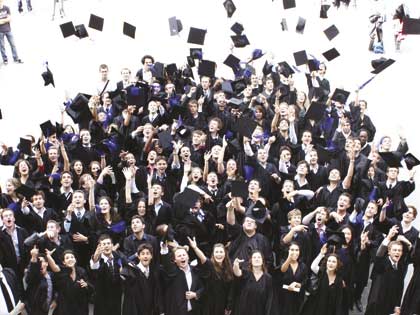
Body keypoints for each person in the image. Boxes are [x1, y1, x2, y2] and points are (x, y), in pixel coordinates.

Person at [188, 237, 234, 315]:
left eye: (221, 252)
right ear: (213, 254)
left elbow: (231, 289)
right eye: (216, 252)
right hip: (209, 304)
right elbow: (202, 257)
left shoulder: (229, 268)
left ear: (225, 253)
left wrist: (228, 306)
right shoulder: (210, 265)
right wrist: (195, 248)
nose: (219, 254)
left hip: (223, 304)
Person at [365, 226, 405, 315]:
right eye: (394, 250)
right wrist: (388, 237)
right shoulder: (382, 263)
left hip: (390, 306)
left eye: (399, 251)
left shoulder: (400, 267)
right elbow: (379, 254)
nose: (397, 252)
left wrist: (397, 305)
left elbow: (399, 288)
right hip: (376, 305)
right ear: (389, 252)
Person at [160, 241, 204, 315]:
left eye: (184, 255)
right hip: (176, 312)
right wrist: (164, 250)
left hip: (193, 311)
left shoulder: (195, 271)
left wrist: (196, 294)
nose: (182, 257)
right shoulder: (172, 272)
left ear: (188, 257)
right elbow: (166, 264)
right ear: (175, 260)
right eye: (179, 256)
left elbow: (202, 287)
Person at [120, 243, 163, 315]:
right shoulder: (131, 272)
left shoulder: (154, 273)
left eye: (147, 254)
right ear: (138, 256)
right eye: (142, 254)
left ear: (151, 256)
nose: (145, 256)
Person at [46, 249, 92, 315]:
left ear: (75, 260)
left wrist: (86, 284)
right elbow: (54, 266)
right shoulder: (61, 271)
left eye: (72, 257)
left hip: (80, 308)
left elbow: (90, 286)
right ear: (64, 262)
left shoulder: (81, 271)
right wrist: (48, 256)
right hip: (64, 308)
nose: (70, 259)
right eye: (67, 258)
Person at [301, 244, 344, 315]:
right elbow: (313, 266)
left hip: (328, 309)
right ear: (326, 262)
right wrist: (321, 254)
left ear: (337, 265)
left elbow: (338, 299)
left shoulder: (339, 279)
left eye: (334, 262)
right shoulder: (322, 272)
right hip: (315, 306)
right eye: (329, 261)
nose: (331, 263)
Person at [89, 234, 123, 315]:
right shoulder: (96, 259)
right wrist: (96, 256)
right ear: (99, 247)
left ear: (112, 245)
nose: (106, 246)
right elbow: (94, 266)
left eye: (108, 243)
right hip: (102, 299)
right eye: (104, 244)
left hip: (116, 298)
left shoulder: (117, 256)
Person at [232, 250, 274, 315]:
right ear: (251, 261)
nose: (256, 259)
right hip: (244, 310)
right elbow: (237, 272)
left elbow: (269, 299)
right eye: (254, 257)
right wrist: (235, 264)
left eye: (259, 257)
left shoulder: (268, 278)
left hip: (260, 311)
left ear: (262, 261)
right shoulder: (246, 274)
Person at [277, 242, 308, 315]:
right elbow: (282, 270)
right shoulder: (283, 262)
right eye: (292, 250)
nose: (295, 252)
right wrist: (289, 258)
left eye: (297, 250)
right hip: (283, 297)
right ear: (288, 251)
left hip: (297, 298)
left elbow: (306, 281)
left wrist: (297, 284)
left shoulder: (303, 266)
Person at [25, 246, 55, 315]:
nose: (39, 264)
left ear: (47, 263)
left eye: (41, 261)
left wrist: (55, 300)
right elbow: (28, 279)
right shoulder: (33, 276)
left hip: (50, 311)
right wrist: (33, 258)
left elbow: (57, 288)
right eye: (37, 262)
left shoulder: (52, 275)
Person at [0, 0, 23, 65]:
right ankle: (5, 59)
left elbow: (10, 19)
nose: (0, 3)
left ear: (2, 1)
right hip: (0, 31)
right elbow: (6, 19)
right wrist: (5, 20)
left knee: (13, 45)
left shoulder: (7, 8)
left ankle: (15, 58)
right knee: (2, 46)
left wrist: (2, 20)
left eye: (1, 1)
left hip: (8, 30)